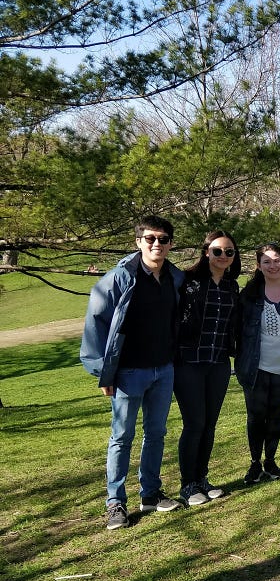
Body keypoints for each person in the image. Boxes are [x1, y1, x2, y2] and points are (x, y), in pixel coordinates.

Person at [81, 215, 184, 529]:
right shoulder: (118, 278)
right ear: (138, 241)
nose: (157, 244)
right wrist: (104, 373)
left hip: (163, 370)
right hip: (128, 373)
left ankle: (151, 494)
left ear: (170, 244)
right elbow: (95, 324)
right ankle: (115, 504)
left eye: (163, 239)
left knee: (156, 434)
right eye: (150, 238)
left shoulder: (174, 278)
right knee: (122, 437)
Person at [174, 230, 242, 506]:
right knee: (194, 424)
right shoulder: (188, 282)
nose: (223, 256)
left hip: (218, 363)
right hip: (188, 361)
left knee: (210, 425)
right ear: (206, 252)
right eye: (217, 251)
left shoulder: (231, 286)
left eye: (229, 252)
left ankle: (202, 478)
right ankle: (188, 485)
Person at [235, 243, 280, 483]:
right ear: (258, 266)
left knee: (276, 416)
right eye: (266, 261)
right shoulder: (249, 295)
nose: (273, 265)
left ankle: (271, 461)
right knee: (256, 417)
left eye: (277, 260)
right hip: (256, 369)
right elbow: (237, 331)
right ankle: (255, 463)